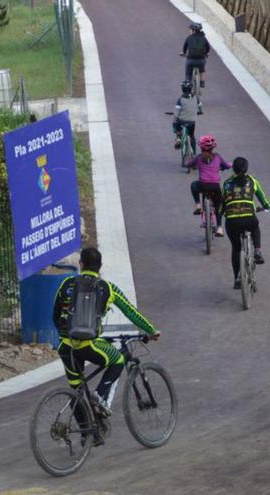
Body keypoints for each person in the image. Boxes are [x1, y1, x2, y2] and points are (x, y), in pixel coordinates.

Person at [53, 247, 160, 421]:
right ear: (100, 266)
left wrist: (66, 336)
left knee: (76, 390)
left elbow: (55, 316)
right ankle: (99, 395)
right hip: (90, 344)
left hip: (66, 346)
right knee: (117, 360)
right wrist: (151, 330)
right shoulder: (107, 288)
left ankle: (85, 436)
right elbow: (131, 312)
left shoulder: (66, 285)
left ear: (80, 264)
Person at [221, 157, 270, 288]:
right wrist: (267, 205)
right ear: (246, 168)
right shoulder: (251, 180)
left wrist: (220, 214)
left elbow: (221, 206)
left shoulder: (226, 183)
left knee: (236, 249)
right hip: (248, 217)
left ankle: (237, 277)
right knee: (255, 227)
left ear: (233, 169)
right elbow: (263, 198)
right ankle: (258, 251)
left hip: (232, 221)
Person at [186, 135, 231, 237]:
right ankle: (219, 228)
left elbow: (189, 164)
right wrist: (230, 164)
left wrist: (189, 164)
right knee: (218, 206)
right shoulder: (217, 157)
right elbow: (227, 166)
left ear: (201, 147)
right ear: (213, 147)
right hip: (215, 187)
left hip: (202, 185)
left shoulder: (198, 158)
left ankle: (198, 204)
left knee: (193, 185)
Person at [172, 81, 201, 150]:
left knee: (175, 122)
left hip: (182, 121)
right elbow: (200, 106)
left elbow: (177, 112)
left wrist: (175, 116)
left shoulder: (180, 99)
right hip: (192, 122)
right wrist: (200, 111)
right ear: (191, 89)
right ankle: (194, 153)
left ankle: (178, 138)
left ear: (182, 89)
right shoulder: (196, 98)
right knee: (191, 136)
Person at [180, 22, 210, 87]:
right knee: (202, 70)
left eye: (190, 29)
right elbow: (208, 47)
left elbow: (185, 47)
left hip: (191, 59)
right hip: (201, 60)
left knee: (188, 72)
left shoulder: (189, 38)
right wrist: (206, 53)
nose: (190, 31)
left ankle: (188, 83)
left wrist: (183, 53)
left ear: (193, 31)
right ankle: (202, 82)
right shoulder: (204, 38)